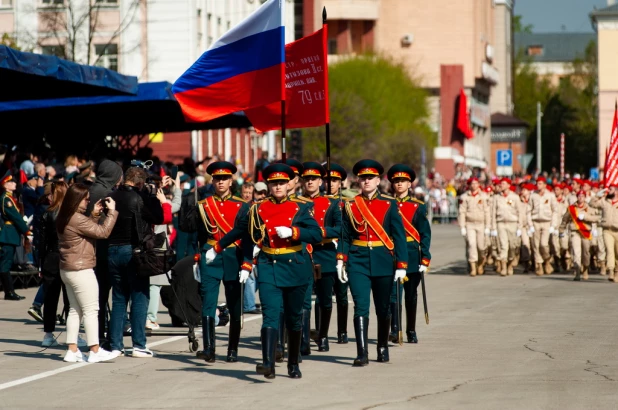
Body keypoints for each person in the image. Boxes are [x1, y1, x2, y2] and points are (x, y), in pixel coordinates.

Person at [207, 163, 322, 379]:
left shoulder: (301, 208)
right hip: (269, 265)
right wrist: (217, 248)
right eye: (273, 183)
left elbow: (316, 234)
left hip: (296, 266)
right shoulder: (257, 208)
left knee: (294, 318)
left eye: (281, 183)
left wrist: (294, 231)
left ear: (288, 185)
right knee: (269, 315)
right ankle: (268, 363)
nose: (277, 187)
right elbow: (242, 232)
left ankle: (293, 363)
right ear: (268, 185)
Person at [337, 160, 408, 366]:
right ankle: (362, 352)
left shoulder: (389, 203)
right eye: (363, 178)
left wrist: (402, 265)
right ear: (358, 180)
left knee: (383, 308)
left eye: (370, 178)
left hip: (383, 260)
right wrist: (341, 259)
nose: (366, 181)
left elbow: (399, 236)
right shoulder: (350, 205)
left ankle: (382, 346)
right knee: (361, 306)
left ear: (378, 180)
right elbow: (345, 236)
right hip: (358, 260)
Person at [195, 161, 250, 363]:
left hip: (233, 256)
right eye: (217, 178)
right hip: (210, 255)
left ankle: (232, 349)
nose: (220, 182)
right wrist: (196, 257)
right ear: (212, 180)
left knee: (235, 304)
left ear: (231, 181)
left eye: (224, 178)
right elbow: (197, 234)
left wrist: (247, 262)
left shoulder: (242, 206)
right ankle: (209, 348)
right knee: (208, 302)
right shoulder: (203, 205)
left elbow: (246, 237)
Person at [56, 183, 118, 363]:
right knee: (92, 310)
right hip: (81, 269)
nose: (88, 202)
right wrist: (112, 212)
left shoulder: (64, 216)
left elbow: (86, 230)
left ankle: (72, 349)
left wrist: (94, 215)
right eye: (86, 200)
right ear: (76, 200)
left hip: (67, 268)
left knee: (75, 311)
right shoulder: (76, 218)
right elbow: (103, 232)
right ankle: (95, 350)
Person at [107, 166, 164, 358]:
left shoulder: (112, 195)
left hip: (112, 250)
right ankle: (138, 345)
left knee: (119, 298)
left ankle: (116, 345)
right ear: (140, 182)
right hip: (133, 251)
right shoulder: (140, 197)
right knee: (139, 297)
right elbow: (159, 217)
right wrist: (156, 197)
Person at [387, 164, 431, 344]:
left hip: (412, 254)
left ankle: (411, 329)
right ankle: (395, 329)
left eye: (403, 181)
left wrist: (425, 258)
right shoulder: (386, 204)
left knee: (411, 294)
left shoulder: (418, 207)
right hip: (391, 253)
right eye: (396, 181)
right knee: (392, 294)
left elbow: (425, 233)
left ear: (409, 184)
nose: (399, 184)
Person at [301, 162, 341, 352]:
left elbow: (341, 229)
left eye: (314, 179)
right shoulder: (295, 202)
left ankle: (322, 335)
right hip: (303, 254)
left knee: (324, 300)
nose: (310, 182)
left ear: (320, 181)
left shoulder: (331, 203)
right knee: (303, 299)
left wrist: (321, 232)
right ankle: (304, 338)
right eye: (307, 179)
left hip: (324, 253)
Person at [85, 159, 124, 347]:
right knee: (101, 297)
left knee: (96, 297)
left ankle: (98, 334)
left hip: (94, 250)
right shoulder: (104, 193)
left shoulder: (93, 189)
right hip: (102, 250)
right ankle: (100, 337)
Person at [39, 182, 71, 347]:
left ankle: (48, 334)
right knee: (70, 299)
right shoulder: (70, 213)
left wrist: (40, 264)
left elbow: (42, 242)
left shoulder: (47, 214)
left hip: (51, 257)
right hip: (67, 257)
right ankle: (72, 335)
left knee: (50, 298)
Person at [322, 162, 350, 343]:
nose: (330, 183)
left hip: (341, 250)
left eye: (335, 180)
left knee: (341, 294)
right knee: (323, 296)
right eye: (327, 180)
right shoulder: (315, 202)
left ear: (340, 183)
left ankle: (342, 331)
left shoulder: (345, 204)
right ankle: (321, 332)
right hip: (323, 250)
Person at [0, 171, 29, 300]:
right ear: (5, 185)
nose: (14, 183)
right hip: (8, 234)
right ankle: (9, 292)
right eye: (11, 182)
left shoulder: (10, 198)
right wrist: (26, 230)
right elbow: (15, 217)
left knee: (7, 262)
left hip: (11, 234)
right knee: (5, 264)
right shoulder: (6, 199)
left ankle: (9, 291)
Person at [559, 190, 599, 281]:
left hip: (586, 232)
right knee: (576, 252)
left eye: (582, 196)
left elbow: (596, 218)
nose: (580, 198)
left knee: (586, 253)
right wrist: (561, 230)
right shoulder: (571, 208)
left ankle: (585, 268)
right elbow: (565, 219)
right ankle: (577, 272)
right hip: (574, 232)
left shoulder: (589, 207)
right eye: (579, 196)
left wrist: (585, 217)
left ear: (585, 197)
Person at [458, 178, 490, 276]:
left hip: (481, 224)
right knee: (472, 244)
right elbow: (462, 212)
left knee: (481, 247)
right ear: (469, 185)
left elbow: (487, 212)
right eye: (472, 184)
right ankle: (473, 267)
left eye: (476, 183)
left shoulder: (484, 196)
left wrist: (488, 227)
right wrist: (462, 226)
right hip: (470, 224)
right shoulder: (464, 197)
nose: (474, 185)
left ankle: (480, 263)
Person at [527, 177, 559, 276]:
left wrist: (553, 225)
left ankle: (547, 260)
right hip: (536, 221)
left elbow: (555, 211)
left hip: (546, 222)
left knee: (543, 244)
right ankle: (539, 266)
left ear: (545, 185)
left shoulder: (550, 196)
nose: (538, 185)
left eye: (540, 183)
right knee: (536, 245)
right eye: (537, 183)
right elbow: (528, 211)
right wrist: (530, 225)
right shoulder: (533, 196)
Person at [491, 178, 522, 276]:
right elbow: (493, 213)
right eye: (501, 184)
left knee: (513, 246)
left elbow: (520, 212)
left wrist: (519, 227)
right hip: (501, 223)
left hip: (512, 223)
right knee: (503, 246)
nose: (501, 185)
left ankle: (510, 264)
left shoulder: (515, 197)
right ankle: (504, 266)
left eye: (503, 184)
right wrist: (493, 228)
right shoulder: (496, 198)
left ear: (509, 185)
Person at [589, 185, 618, 282]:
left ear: (616, 191)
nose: (608, 191)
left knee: (617, 253)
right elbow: (591, 204)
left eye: (611, 189)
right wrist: (597, 196)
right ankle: (610, 270)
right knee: (609, 250)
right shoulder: (604, 201)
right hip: (607, 230)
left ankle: (617, 271)